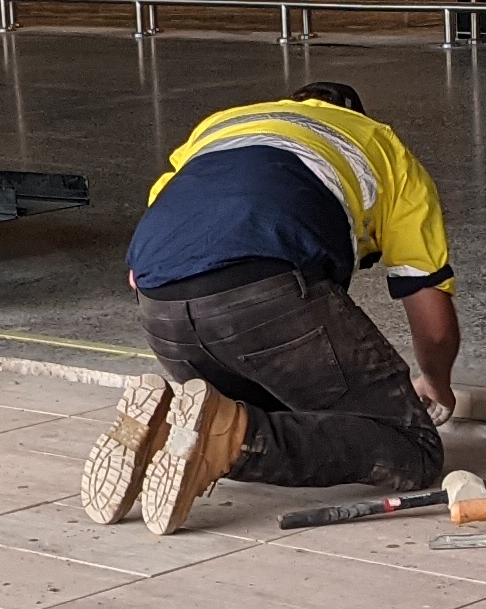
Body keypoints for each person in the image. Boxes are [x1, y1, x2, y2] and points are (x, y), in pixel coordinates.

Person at [78, 80, 460, 536]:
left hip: (161, 308)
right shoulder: (380, 144)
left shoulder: (220, 127)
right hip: (266, 293)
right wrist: (436, 383)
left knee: (278, 420)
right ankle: (225, 440)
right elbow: (431, 315)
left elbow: (144, 261)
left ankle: (165, 431)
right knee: (413, 450)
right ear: (357, 113)